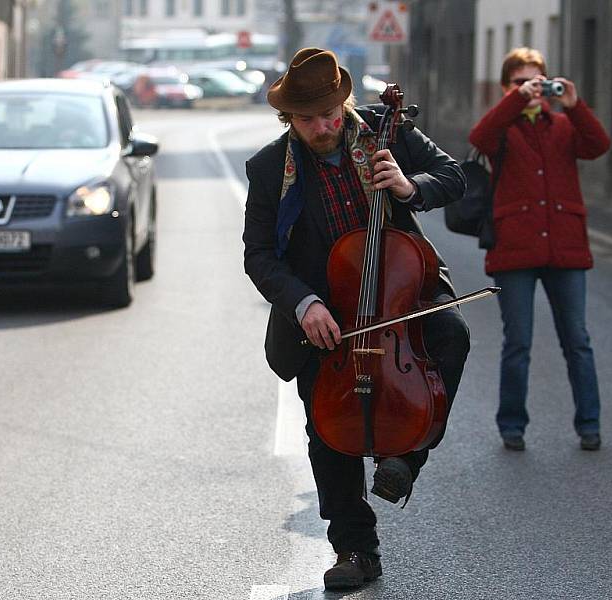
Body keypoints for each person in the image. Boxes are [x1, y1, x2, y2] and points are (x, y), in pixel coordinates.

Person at [242, 48, 469, 591]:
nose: (321, 127)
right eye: (307, 118)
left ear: (344, 104)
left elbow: (453, 176)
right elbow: (258, 255)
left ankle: (406, 458)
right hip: (325, 310)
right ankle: (355, 550)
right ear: (288, 118)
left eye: (329, 114)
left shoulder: (387, 134)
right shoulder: (270, 168)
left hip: (397, 294)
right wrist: (303, 303)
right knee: (328, 432)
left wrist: (409, 187)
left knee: (451, 335)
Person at [469, 47, 610, 452]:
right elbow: (478, 137)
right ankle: (511, 425)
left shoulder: (564, 125)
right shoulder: (503, 129)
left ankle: (589, 423)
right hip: (514, 249)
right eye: (519, 82)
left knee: (577, 340)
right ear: (505, 87)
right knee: (518, 342)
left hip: (565, 248)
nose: (530, 89)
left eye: (536, 81)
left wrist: (575, 104)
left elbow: (598, 145)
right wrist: (516, 100)